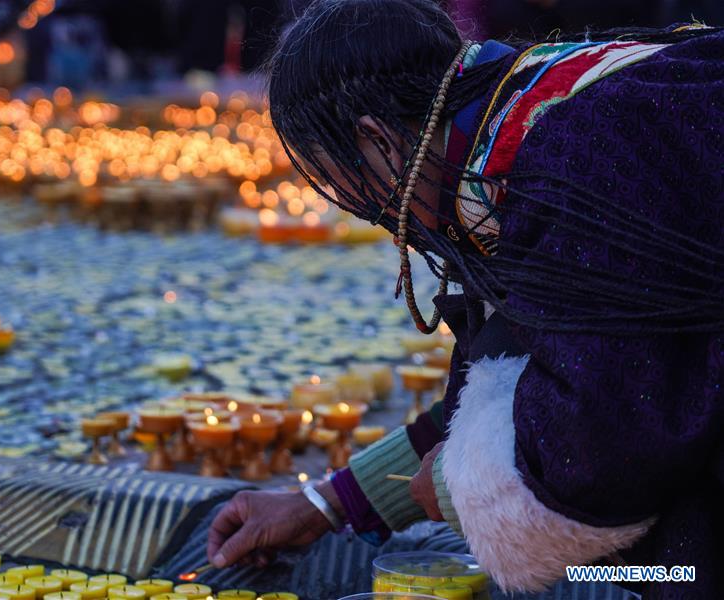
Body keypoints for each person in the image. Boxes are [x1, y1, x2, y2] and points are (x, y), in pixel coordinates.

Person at [206, 1, 724, 597]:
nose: (357, 207)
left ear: (377, 141)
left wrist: (459, 492)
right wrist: (325, 504)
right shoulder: (511, 121)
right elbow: (526, 373)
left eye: (336, 176)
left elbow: (602, 444)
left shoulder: (565, 165)